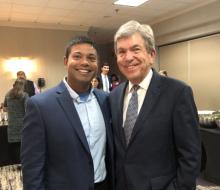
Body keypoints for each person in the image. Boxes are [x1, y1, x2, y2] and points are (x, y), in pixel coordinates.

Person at [109, 20, 201, 190]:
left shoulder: (178, 93)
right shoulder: (114, 97)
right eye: (122, 52)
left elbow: (191, 157)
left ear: (151, 55)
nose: (128, 57)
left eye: (136, 49)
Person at [21, 36, 114, 190]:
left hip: (103, 185)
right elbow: (32, 167)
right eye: (77, 56)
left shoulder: (105, 100)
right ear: (65, 61)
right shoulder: (40, 105)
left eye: (91, 58)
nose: (85, 62)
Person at [4, 79, 28, 164]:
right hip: (23, 128)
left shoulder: (7, 94)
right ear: (23, 86)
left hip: (11, 129)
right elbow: (28, 111)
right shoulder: (24, 96)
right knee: (24, 155)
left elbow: (4, 108)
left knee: (14, 155)